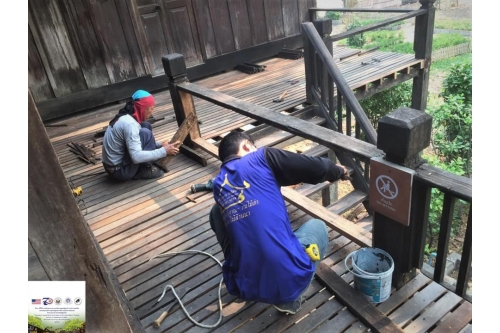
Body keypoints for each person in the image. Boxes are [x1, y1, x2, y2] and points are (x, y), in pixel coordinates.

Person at [209, 131, 349, 315]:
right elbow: (314, 167)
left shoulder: (218, 184)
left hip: (242, 285)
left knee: (215, 213)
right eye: (253, 147)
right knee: (318, 227)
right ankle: (289, 299)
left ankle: (248, 275)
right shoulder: (261, 157)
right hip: (287, 280)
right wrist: (340, 171)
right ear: (245, 146)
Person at [101, 90, 180, 180]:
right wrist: (164, 151)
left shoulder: (125, 116)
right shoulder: (130, 124)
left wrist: (160, 145)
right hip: (119, 171)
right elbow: (136, 157)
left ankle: (145, 162)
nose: (151, 113)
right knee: (145, 133)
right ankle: (144, 170)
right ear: (144, 108)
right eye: (151, 109)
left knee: (145, 126)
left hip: (112, 166)